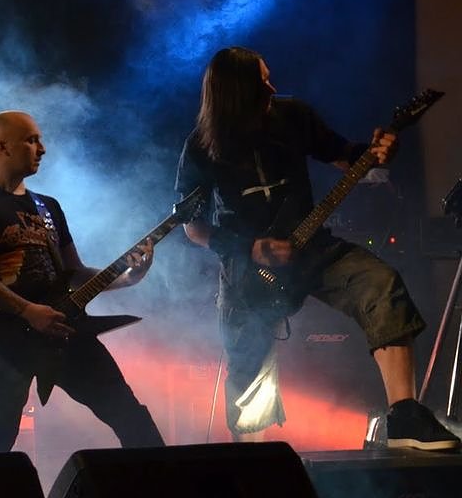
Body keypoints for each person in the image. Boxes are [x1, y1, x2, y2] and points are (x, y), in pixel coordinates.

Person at [176, 46, 460, 449]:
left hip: (311, 247)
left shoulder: (293, 116)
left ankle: (405, 417)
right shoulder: (201, 147)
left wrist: (377, 154)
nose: (271, 87)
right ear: (236, 92)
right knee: (249, 370)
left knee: (380, 284)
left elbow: (344, 157)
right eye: (261, 81)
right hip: (246, 268)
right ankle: (254, 463)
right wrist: (251, 248)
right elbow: (193, 227)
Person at [0, 110, 165, 454]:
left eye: (40, 140)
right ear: (3, 146)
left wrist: (129, 277)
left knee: (131, 417)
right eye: (31, 140)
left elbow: (75, 272)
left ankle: (163, 485)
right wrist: (28, 311)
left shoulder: (48, 207)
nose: (42, 148)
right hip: (6, 338)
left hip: (65, 331)